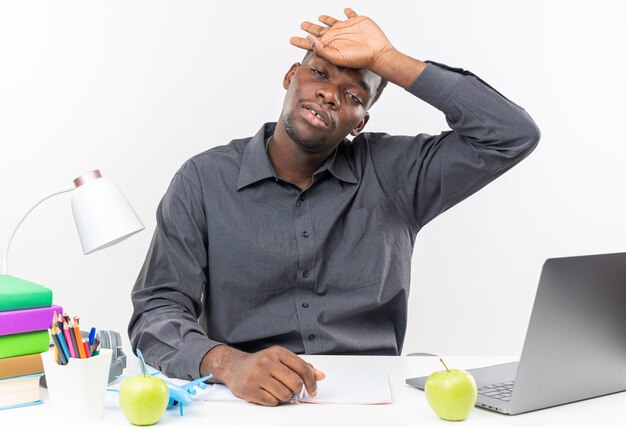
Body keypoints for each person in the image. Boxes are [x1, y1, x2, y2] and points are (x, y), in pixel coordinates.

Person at [128, 8, 540, 406]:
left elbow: (511, 134)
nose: (328, 94)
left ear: (360, 121)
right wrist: (226, 362)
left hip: (376, 399)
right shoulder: (203, 180)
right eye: (318, 74)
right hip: (246, 400)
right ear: (291, 76)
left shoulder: (396, 172)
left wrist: (387, 59)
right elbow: (156, 311)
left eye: (353, 95)